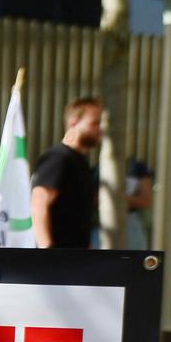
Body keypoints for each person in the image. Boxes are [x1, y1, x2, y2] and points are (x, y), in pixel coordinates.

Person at [30, 97, 102, 249]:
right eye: (94, 123)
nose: (100, 129)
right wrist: (47, 250)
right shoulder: (58, 157)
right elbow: (39, 204)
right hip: (58, 260)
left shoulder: (80, 162)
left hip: (76, 258)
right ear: (73, 122)